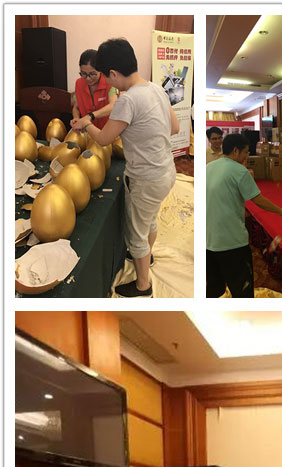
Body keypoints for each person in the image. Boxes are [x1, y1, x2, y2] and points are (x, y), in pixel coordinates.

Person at [76, 38, 179, 298]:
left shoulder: (128, 100)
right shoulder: (156, 88)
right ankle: (147, 257)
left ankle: (143, 286)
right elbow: (175, 127)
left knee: (136, 234)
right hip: (167, 171)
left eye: (105, 76)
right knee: (149, 219)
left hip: (146, 177)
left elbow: (103, 139)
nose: (106, 81)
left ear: (113, 73)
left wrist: (85, 124)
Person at [206, 133, 282, 297]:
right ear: (235, 151)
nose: (247, 156)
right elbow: (258, 200)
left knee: (214, 288)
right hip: (232, 242)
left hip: (208, 241)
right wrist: (281, 211)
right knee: (242, 290)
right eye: (246, 152)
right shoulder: (240, 171)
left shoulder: (208, 167)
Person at [71, 49, 118, 130]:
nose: (88, 78)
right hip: (89, 130)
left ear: (100, 70)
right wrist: (76, 118)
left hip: (108, 131)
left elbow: (113, 106)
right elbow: (76, 107)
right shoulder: (79, 83)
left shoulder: (109, 82)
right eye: (83, 74)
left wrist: (90, 116)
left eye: (92, 74)